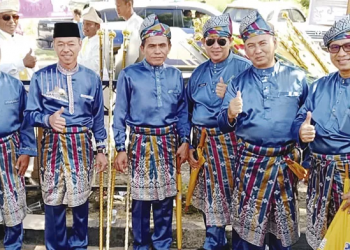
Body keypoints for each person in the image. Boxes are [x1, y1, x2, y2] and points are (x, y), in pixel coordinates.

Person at [218, 10, 309, 249]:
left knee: (282, 234)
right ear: (244, 50)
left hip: (284, 165)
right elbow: (221, 123)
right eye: (251, 45)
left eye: (262, 43)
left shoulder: (298, 78)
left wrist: (306, 155)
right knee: (247, 235)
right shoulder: (238, 82)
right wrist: (230, 112)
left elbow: (308, 120)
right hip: (250, 165)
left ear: (274, 42)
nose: (257, 50)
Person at [24, 22, 107, 250]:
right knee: (53, 203)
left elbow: (98, 118)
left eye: (71, 43)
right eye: (60, 44)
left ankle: (79, 245)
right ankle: (55, 246)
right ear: (53, 46)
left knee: (80, 203)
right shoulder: (41, 77)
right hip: (52, 145)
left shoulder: (91, 79)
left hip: (81, 145)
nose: (66, 49)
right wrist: (47, 120)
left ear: (80, 44)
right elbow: (29, 114)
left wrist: (101, 150)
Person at [113, 14, 190, 250]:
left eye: (162, 45)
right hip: (139, 143)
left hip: (168, 143)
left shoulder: (176, 76)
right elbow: (120, 114)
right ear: (143, 47)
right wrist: (119, 147)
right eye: (152, 46)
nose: (157, 51)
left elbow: (182, 113)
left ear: (168, 47)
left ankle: (163, 244)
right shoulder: (129, 75)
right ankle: (141, 245)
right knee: (140, 202)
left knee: (165, 200)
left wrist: (185, 140)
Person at [186, 13, 251, 250]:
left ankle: (242, 244)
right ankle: (214, 241)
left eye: (221, 41)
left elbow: (255, 109)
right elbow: (188, 111)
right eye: (210, 41)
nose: (215, 46)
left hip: (234, 143)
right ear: (203, 43)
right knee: (212, 197)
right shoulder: (198, 72)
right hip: (205, 143)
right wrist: (190, 143)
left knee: (238, 195)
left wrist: (229, 99)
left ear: (231, 41)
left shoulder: (244, 68)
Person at [292, 14, 350, 250]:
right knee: (322, 237)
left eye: (348, 46)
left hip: (347, 174)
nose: (341, 53)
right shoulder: (319, 86)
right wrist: (301, 131)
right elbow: (300, 118)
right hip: (319, 173)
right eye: (334, 47)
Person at [0, 49, 37, 250]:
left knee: (12, 198)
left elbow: (26, 122)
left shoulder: (14, 85)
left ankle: (13, 245)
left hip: (9, 149)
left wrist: (26, 151)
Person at [0, 0, 37, 80]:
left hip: (28, 89)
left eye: (15, 17)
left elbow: (34, 70)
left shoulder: (23, 40)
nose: (12, 21)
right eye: (6, 17)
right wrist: (22, 63)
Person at [114, 0, 143, 77]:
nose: (116, 9)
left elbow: (136, 54)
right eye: (116, 6)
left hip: (135, 72)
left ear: (128, 4)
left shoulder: (138, 24)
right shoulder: (128, 23)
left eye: (118, 6)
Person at [78, 6, 108, 79]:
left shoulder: (101, 41)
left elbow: (95, 65)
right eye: (84, 24)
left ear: (98, 26)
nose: (84, 27)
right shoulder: (85, 40)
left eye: (88, 24)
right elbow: (78, 57)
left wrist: (76, 65)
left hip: (98, 80)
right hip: (84, 77)